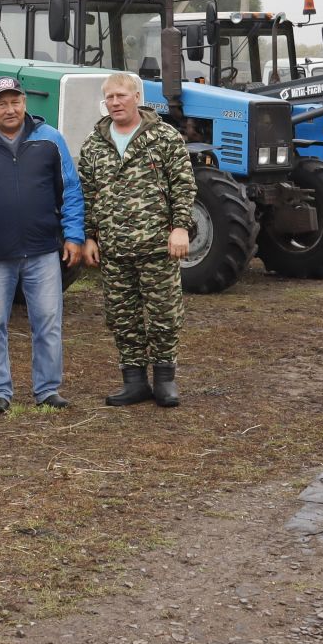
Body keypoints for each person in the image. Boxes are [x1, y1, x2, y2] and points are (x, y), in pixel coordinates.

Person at [0, 76, 84, 413]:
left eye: (15, 101)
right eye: (1, 103)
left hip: (42, 251)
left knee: (48, 322)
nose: (9, 109)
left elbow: (70, 190)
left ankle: (47, 389)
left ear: (24, 102)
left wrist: (73, 235)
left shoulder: (50, 140)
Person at [76, 72, 196, 408]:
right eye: (110, 98)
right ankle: (133, 382)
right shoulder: (94, 144)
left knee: (164, 314)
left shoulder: (164, 137)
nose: (115, 103)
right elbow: (87, 193)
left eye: (121, 96)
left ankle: (164, 379)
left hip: (158, 244)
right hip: (114, 248)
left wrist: (181, 227)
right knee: (121, 316)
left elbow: (184, 186)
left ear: (137, 97)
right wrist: (89, 236)